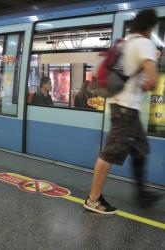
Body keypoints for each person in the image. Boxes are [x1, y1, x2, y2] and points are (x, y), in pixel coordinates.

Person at [84, 9, 160, 214]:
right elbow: (153, 79)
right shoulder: (144, 43)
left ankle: (142, 193)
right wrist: (146, 85)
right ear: (150, 28)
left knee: (141, 149)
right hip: (126, 109)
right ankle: (93, 199)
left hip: (122, 106)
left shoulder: (125, 42)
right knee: (110, 154)